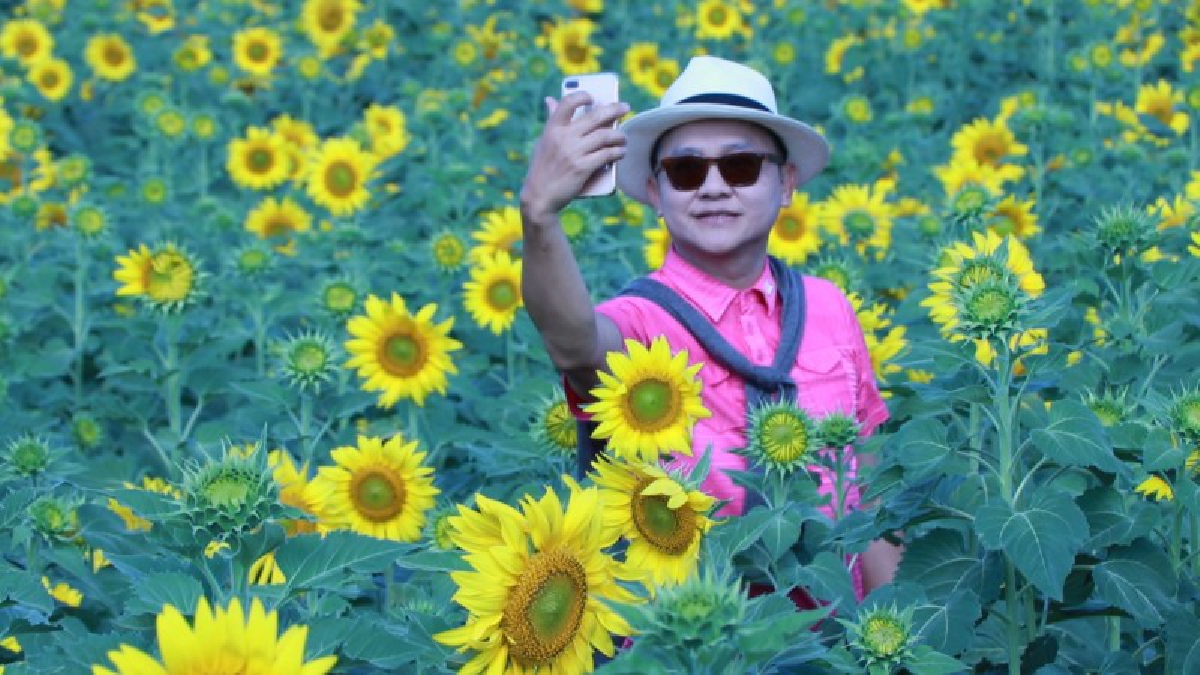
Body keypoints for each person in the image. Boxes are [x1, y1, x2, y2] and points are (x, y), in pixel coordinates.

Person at [518, 55, 901, 598]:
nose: (713, 187)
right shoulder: (639, 323)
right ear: (656, 192)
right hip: (694, 643)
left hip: (835, 645)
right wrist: (539, 213)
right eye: (686, 170)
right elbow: (573, 343)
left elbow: (869, 494)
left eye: (741, 166)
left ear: (787, 184)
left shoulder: (829, 307)